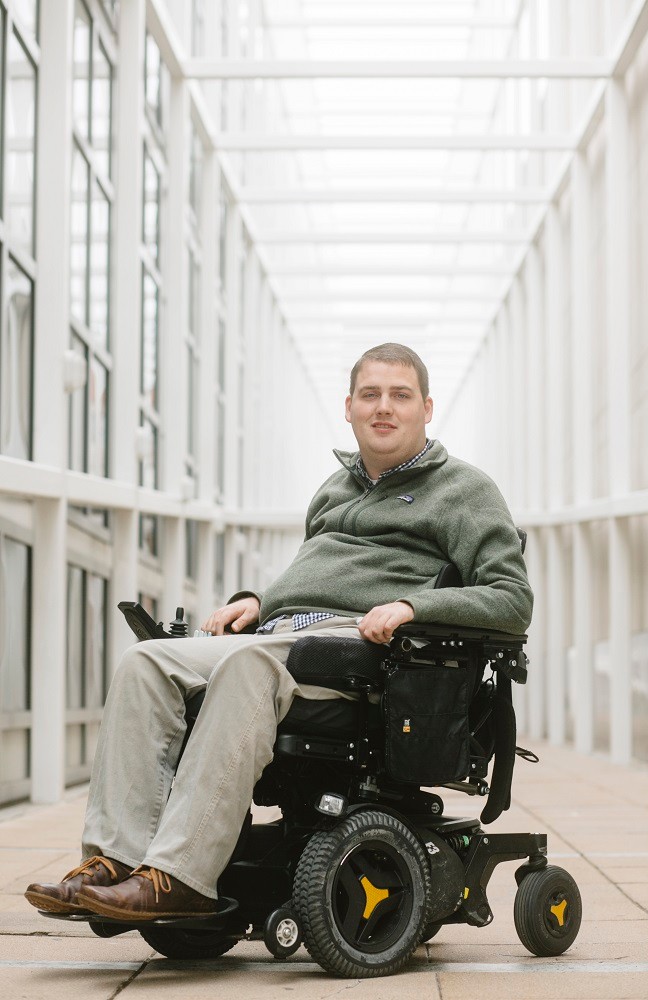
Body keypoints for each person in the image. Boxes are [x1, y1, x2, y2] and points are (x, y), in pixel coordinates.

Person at [25, 342, 532, 921]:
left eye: (400, 395)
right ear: (348, 407)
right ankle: (114, 860)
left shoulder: (465, 491)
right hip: (283, 634)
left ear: (427, 407)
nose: (383, 407)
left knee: (249, 667)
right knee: (147, 661)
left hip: (362, 652)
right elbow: (316, 578)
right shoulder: (333, 490)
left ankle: (179, 877)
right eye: (370, 395)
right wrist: (258, 601)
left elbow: (512, 599)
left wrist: (414, 606)